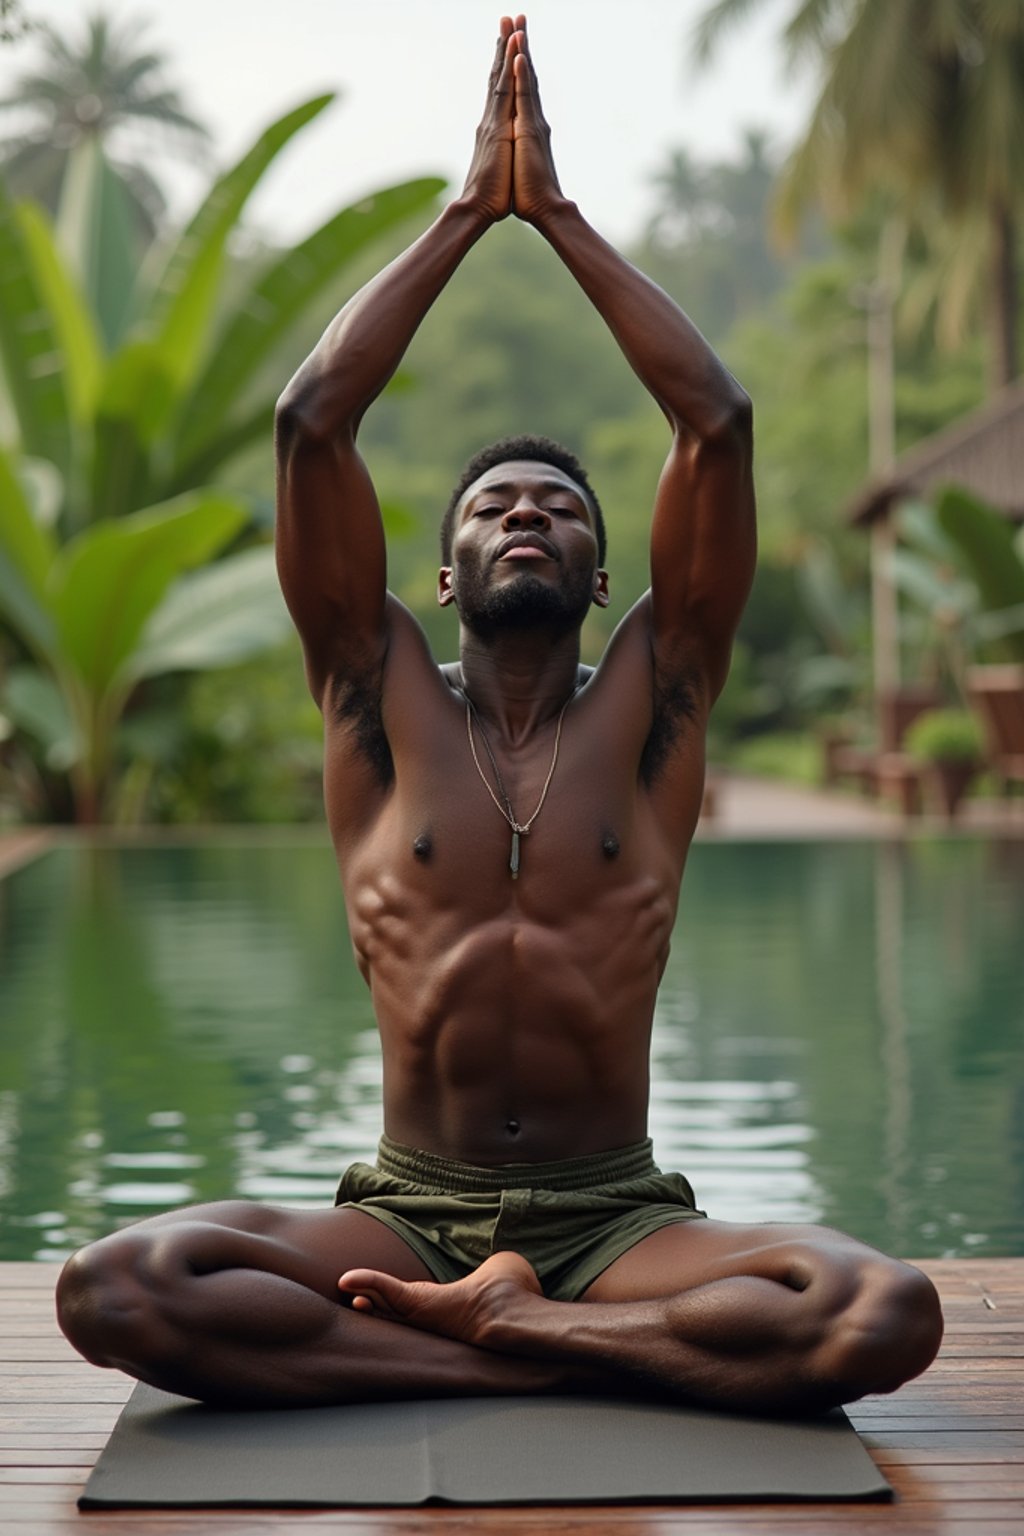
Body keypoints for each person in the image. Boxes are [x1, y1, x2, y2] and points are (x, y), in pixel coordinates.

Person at [56, 16, 942, 1414]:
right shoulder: (375, 691)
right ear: (444, 567)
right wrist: (470, 210)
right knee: (114, 1288)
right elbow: (310, 427)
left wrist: (563, 217)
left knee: (884, 1310)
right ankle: (519, 1339)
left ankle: (523, 1336)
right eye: (492, 506)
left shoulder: (661, 698)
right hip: (408, 1209)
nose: (526, 513)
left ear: (603, 572)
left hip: (618, 1221)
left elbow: (715, 423)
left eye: (561, 509)